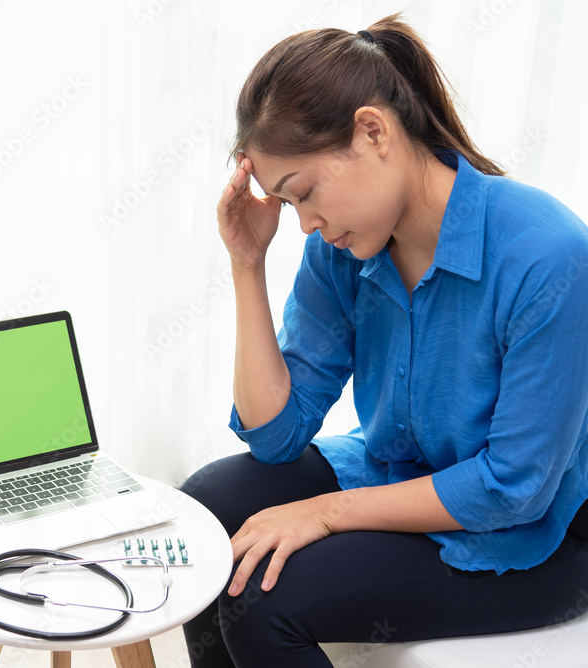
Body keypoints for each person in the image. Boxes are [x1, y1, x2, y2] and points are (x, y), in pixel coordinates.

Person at [181, 13, 588, 668]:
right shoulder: (342, 250)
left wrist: (325, 512)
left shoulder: (547, 256)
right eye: (288, 205)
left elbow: (512, 489)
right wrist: (247, 265)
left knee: (259, 598)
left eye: (304, 193)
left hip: (530, 538)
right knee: (202, 516)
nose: (305, 225)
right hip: (400, 474)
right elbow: (276, 437)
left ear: (374, 132)